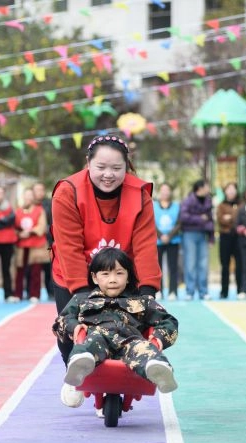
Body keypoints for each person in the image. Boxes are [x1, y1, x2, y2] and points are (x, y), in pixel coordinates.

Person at [50, 134, 161, 408]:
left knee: (129, 327)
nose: (108, 175)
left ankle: (123, 378)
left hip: (121, 275)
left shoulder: (140, 195)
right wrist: (82, 293)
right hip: (74, 273)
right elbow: (68, 245)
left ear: (127, 166)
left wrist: (147, 289)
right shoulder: (68, 191)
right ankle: (73, 373)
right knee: (71, 326)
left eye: (116, 168)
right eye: (101, 167)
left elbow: (145, 243)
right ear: (88, 164)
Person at [52, 247, 179, 401]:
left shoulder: (141, 301)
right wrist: (75, 327)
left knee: (145, 349)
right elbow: (62, 319)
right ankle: (80, 365)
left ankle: (158, 370)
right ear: (94, 277)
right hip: (98, 338)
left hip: (130, 340)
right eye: (105, 274)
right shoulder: (83, 299)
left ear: (128, 277)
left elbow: (168, 321)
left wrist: (157, 339)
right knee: (89, 345)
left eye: (119, 273)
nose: (112, 279)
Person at [180, 179, 214, 300]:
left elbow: (210, 220)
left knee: (203, 264)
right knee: (190, 263)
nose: (208, 189)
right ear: (200, 188)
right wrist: (200, 218)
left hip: (203, 235)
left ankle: (203, 291)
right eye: (206, 186)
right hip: (189, 234)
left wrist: (211, 238)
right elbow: (183, 217)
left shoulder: (208, 201)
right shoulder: (188, 200)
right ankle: (190, 291)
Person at [14, 188, 49, 302]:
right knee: (20, 270)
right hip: (22, 245)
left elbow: (42, 226)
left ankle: (35, 294)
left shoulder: (39, 210)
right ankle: (18, 294)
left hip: (36, 245)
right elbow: (14, 227)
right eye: (26, 195)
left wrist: (30, 231)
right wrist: (19, 233)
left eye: (30, 195)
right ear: (23, 197)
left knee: (35, 271)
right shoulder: (18, 211)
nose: (28, 198)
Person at [153, 183, 181, 300]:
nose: (165, 192)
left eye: (167, 190)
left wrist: (169, 236)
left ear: (170, 192)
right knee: (157, 267)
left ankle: (173, 291)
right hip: (158, 241)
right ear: (159, 192)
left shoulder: (176, 206)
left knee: (173, 266)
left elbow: (179, 223)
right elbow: (150, 222)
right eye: (163, 190)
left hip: (173, 240)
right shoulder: (153, 205)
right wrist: (160, 236)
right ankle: (159, 291)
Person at [216, 182, 242, 299]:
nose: (231, 192)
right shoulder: (221, 205)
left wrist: (230, 217)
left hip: (238, 237)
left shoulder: (241, 204)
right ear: (225, 192)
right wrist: (232, 217)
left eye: (233, 189)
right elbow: (220, 220)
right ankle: (224, 291)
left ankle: (240, 290)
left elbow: (240, 218)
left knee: (239, 264)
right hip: (225, 237)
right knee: (225, 265)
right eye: (228, 189)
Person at [33, 182, 55, 301]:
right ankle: (31, 293)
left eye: (41, 190)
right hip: (33, 241)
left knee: (49, 268)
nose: (39, 192)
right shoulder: (29, 205)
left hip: (48, 240)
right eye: (37, 190)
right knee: (33, 269)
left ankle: (51, 292)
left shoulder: (49, 204)